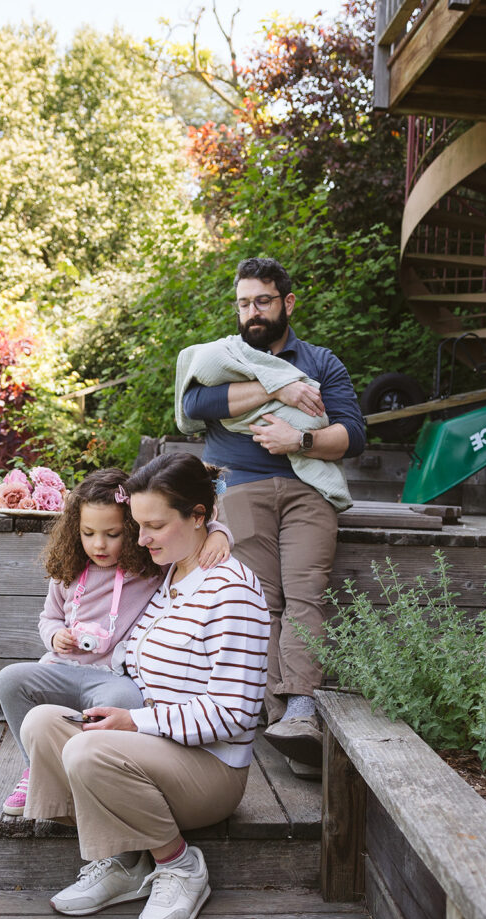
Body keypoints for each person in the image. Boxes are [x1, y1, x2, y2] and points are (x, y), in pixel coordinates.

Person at [19, 453, 270, 919]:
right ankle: (122, 860)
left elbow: (236, 714)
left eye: (153, 525)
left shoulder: (231, 592)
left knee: (91, 750)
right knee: (43, 724)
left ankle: (179, 866)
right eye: (136, 525)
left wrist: (135, 721)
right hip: (156, 748)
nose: (140, 539)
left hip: (210, 769)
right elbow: (129, 654)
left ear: (200, 516)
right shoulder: (171, 574)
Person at [175, 257, 366, 773]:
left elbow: (355, 436)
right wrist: (277, 387)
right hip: (240, 488)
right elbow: (196, 404)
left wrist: (299, 438)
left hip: (309, 488)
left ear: (287, 302)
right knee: (263, 600)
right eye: (243, 303)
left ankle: (298, 710)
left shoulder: (322, 363)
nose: (252, 312)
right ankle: (293, 724)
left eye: (262, 301)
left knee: (306, 591)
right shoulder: (224, 357)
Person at [0, 466, 232, 815]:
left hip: (113, 679)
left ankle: (87, 776)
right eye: (88, 533)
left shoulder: (149, 568)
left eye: (113, 533)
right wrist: (55, 636)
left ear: (133, 529)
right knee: (9, 679)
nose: (99, 544)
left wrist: (219, 533)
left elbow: (191, 527)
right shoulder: (68, 570)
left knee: (125, 698)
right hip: (64, 669)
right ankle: (37, 767)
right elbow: (49, 618)